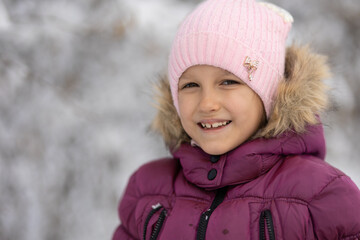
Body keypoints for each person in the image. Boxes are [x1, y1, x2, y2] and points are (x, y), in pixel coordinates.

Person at [112, 0, 360, 239]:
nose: (207, 103)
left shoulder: (322, 195)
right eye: (190, 85)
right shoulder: (147, 190)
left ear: (270, 93)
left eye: (228, 82)